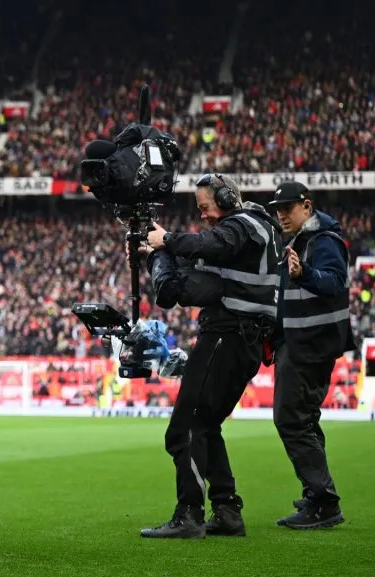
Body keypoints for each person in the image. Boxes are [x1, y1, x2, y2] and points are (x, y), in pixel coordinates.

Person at [140, 173, 281, 539]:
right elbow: (185, 282)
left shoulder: (243, 226)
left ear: (225, 197)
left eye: (205, 207)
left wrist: (166, 240)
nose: (203, 216)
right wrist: (160, 253)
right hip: (242, 340)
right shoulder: (253, 234)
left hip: (228, 336)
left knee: (184, 428)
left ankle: (188, 514)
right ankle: (227, 511)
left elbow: (209, 246)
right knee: (206, 425)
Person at [268, 181, 352, 529]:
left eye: (288, 208)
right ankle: (317, 495)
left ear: (307, 206)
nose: (281, 215)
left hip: (310, 345)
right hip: (302, 342)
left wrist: (305, 274)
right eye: (278, 209)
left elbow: (335, 282)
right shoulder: (303, 240)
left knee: (291, 419)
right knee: (303, 420)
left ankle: (323, 501)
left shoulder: (324, 240)